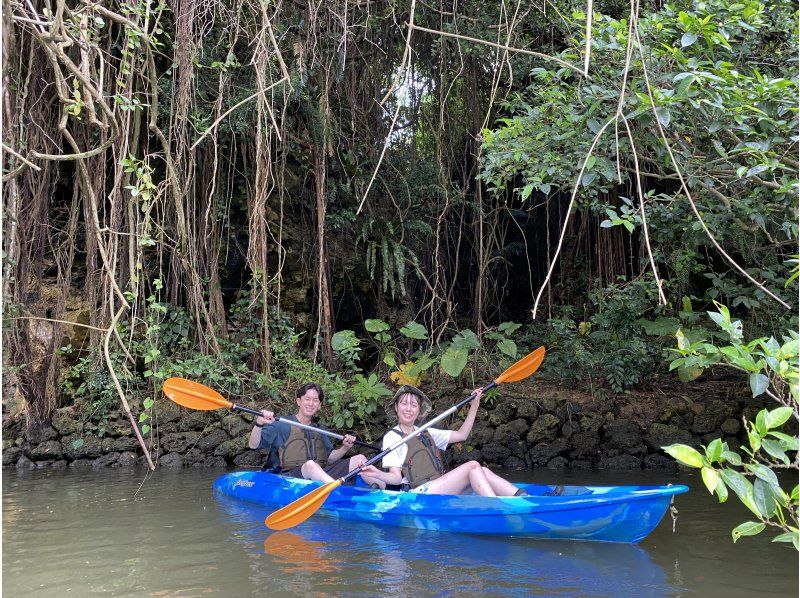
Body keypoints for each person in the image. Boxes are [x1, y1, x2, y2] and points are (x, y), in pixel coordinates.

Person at [359, 384, 527, 496]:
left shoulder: (426, 432)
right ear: (396, 407)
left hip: (438, 485)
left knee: (482, 470)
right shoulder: (392, 437)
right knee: (472, 466)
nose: (408, 409)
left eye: (413, 405)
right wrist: (377, 473)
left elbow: (462, 435)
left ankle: (521, 497)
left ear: (418, 410)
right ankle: (497, 508)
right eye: (404, 404)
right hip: (418, 492)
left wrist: (474, 405)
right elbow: (396, 478)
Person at [248, 382, 384, 488]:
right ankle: (339, 492)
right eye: (307, 399)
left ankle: (383, 490)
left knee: (359, 459)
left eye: (315, 400)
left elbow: (330, 459)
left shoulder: (319, 429)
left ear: (319, 405)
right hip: (289, 477)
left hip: (320, 474)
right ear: (298, 401)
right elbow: (253, 445)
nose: (311, 403)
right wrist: (259, 423)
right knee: (311, 465)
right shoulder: (281, 424)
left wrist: (345, 448)